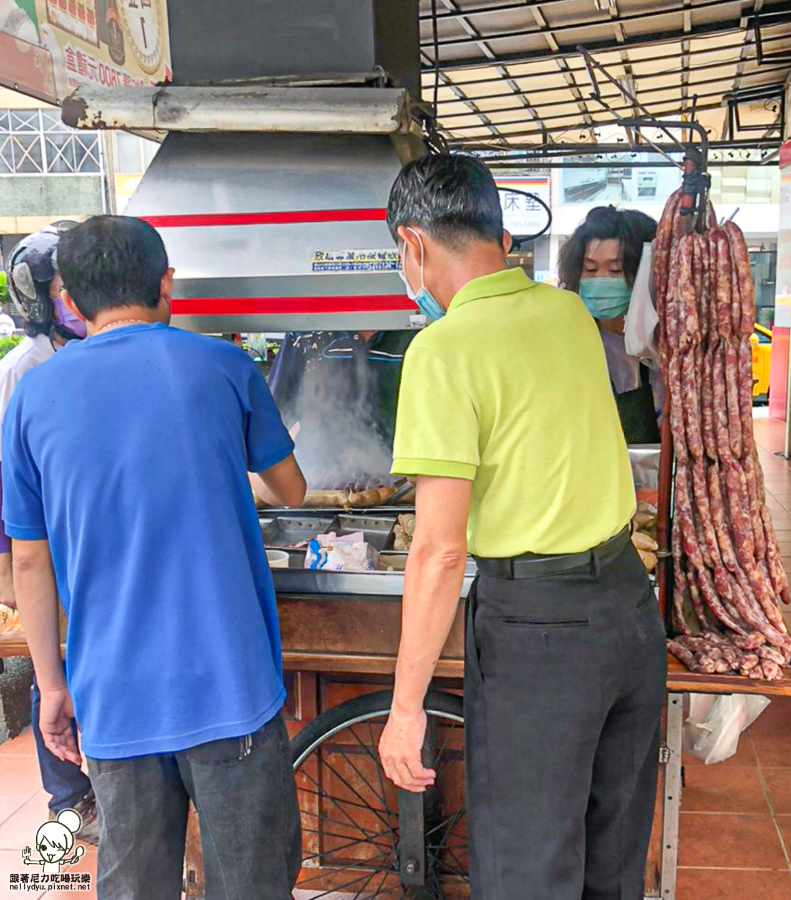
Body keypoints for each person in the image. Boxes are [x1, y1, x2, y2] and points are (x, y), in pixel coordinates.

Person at [377, 155, 666, 900]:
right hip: (628, 611)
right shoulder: (566, 311)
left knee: (526, 871)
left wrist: (405, 710)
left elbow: (439, 552)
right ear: (499, 233)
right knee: (610, 858)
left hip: (540, 635)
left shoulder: (442, 350)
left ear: (412, 243)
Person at [2, 215, 306, 900]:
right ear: (167, 283)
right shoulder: (224, 367)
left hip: (114, 700)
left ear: (70, 304)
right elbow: (290, 487)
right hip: (231, 689)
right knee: (251, 884)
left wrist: (53, 688)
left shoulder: (31, 399)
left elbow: (30, 564)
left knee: (136, 886)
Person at [0, 222, 98, 844]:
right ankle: (70, 798)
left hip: (75, 537)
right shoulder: (22, 368)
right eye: (65, 289)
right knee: (49, 666)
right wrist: (8, 572)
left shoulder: (78, 355)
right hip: (34, 543)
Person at [559, 205, 661, 443]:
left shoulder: (667, 344)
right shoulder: (571, 339)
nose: (600, 279)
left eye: (615, 270)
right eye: (590, 269)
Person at [266, 329, 414, 488]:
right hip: (319, 486)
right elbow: (270, 420)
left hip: (403, 488)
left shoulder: (416, 334)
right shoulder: (304, 336)